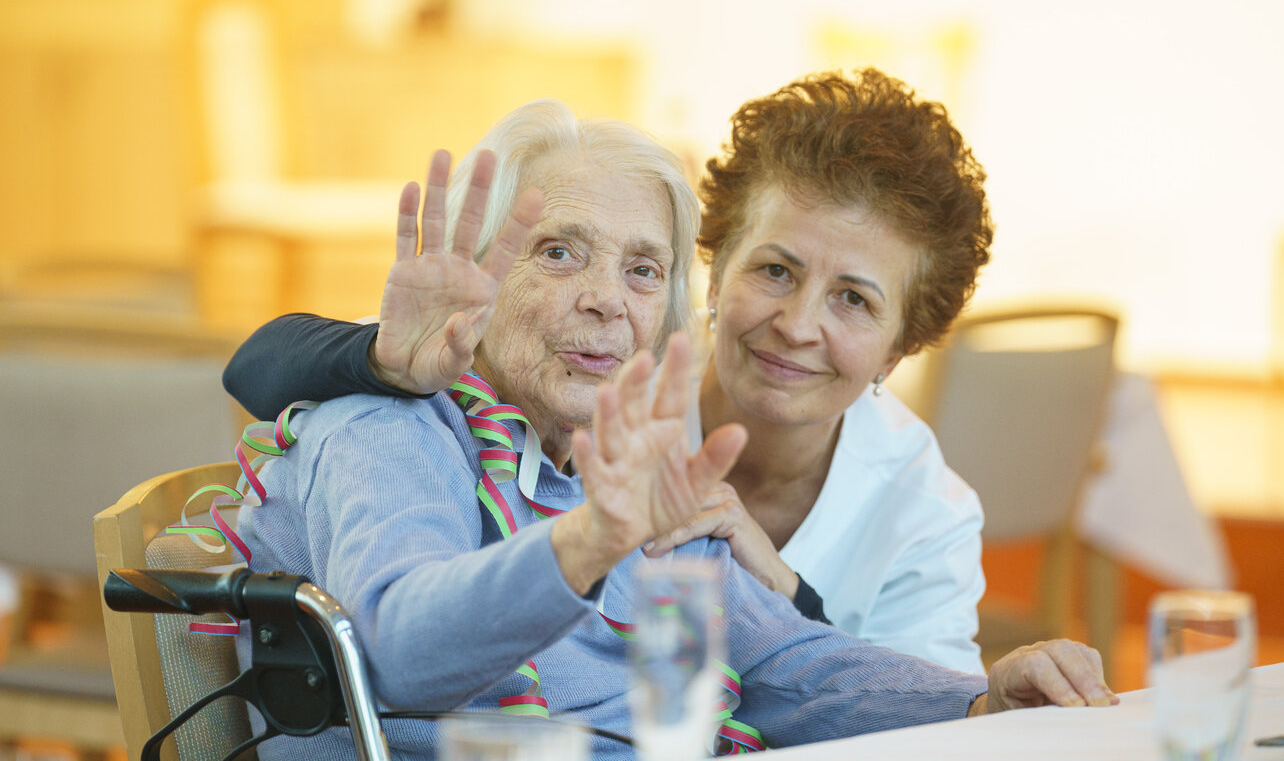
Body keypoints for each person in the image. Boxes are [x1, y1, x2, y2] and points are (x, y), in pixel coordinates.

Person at [233, 98, 1114, 760]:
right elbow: (398, 650)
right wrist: (589, 541)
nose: (606, 297)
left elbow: (786, 663)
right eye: (558, 250)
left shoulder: (605, 458)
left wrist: (982, 701)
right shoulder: (392, 426)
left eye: (642, 269)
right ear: (481, 273)